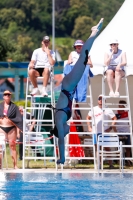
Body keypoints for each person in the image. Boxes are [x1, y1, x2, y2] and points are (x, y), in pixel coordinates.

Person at [50, 18, 104, 165]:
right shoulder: (64, 119)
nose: (68, 130)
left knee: (83, 58)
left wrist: (61, 157)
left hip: (68, 86)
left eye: (66, 131)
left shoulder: (60, 120)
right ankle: (93, 34)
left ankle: (94, 33)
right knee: (83, 58)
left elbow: (61, 139)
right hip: (70, 88)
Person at [86, 94, 117, 168]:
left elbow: (114, 118)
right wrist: (89, 127)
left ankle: (110, 164)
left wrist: (110, 128)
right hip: (95, 131)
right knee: (97, 148)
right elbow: (88, 117)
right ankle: (99, 164)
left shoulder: (108, 109)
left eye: (102, 99)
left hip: (104, 132)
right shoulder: (94, 109)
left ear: (105, 101)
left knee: (107, 148)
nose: (100, 100)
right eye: (99, 99)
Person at [0, 90, 23, 169]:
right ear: (3, 96)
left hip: (11, 128)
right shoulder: (0, 106)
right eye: (5, 94)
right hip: (1, 127)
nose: (7, 96)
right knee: (0, 147)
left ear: (10, 96)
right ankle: (0, 165)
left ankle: (15, 165)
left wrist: (18, 132)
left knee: (12, 146)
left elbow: (18, 120)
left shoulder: (14, 107)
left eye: (9, 95)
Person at [115, 100, 131, 166]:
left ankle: (128, 161)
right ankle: (119, 161)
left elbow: (129, 122)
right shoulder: (116, 112)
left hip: (127, 132)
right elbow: (114, 122)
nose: (121, 106)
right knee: (119, 147)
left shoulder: (128, 113)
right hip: (119, 132)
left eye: (123, 105)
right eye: (120, 105)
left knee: (128, 148)